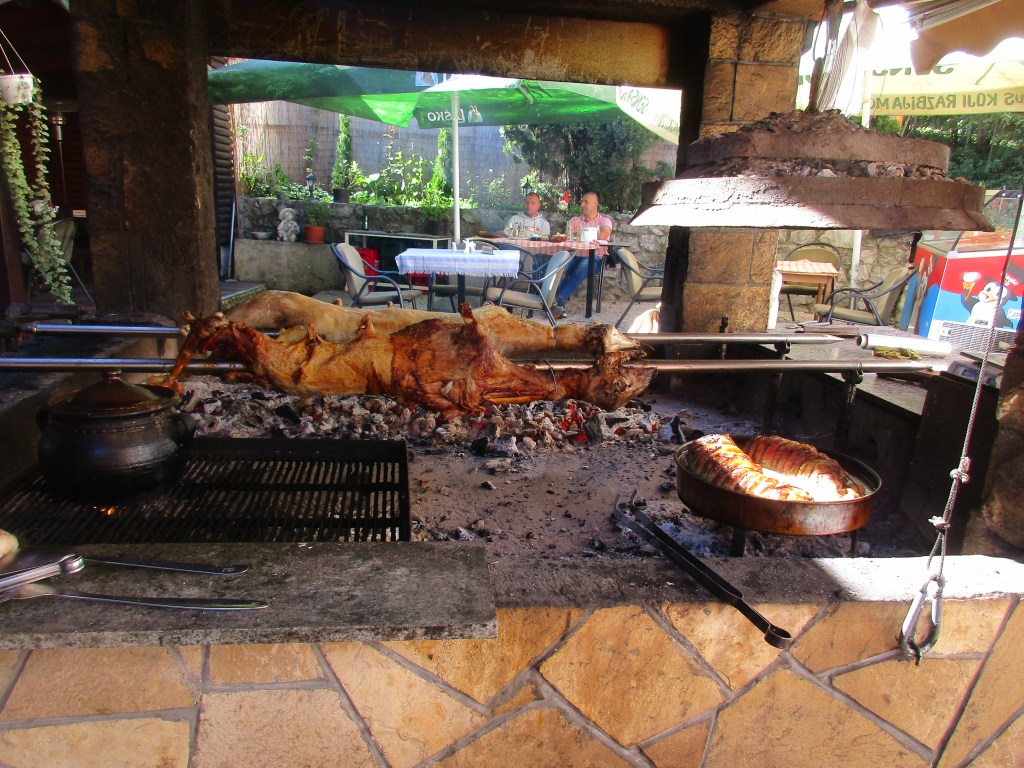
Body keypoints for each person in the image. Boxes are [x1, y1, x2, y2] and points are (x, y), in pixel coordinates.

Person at [553, 191, 613, 314]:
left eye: (586, 202)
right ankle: (556, 302)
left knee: (582, 267)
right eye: (582, 202)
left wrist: (580, 233)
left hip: (595, 258)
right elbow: (568, 237)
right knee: (562, 269)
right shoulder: (575, 220)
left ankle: (557, 299)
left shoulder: (604, 221)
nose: (582, 205)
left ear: (595, 205)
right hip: (575, 255)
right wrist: (584, 234)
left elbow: (603, 234)